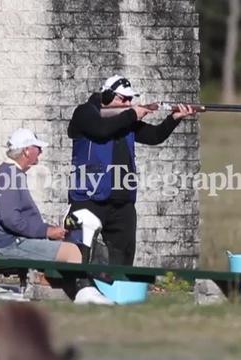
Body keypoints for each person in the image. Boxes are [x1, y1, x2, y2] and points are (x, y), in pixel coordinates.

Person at [67, 75, 196, 266]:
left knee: (122, 261)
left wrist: (173, 119)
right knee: (79, 256)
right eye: (123, 99)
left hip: (122, 200)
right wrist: (133, 114)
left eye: (130, 99)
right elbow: (101, 129)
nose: (128, 103)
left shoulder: (125, 119)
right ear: (107, 95)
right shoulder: (85, 112)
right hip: (89, 197)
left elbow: (154, 136)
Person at [0, 128, 112, 304]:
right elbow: (11, 220)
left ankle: (74, 292)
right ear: (27, 151)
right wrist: (47, 232)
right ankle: (85, 298)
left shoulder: (12, 173)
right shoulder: (7, 176)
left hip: (16, 240)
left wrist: (49, 231)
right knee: (71, 252)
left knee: (74, 246)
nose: (41, 152)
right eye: (37, 148)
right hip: (9, 245)